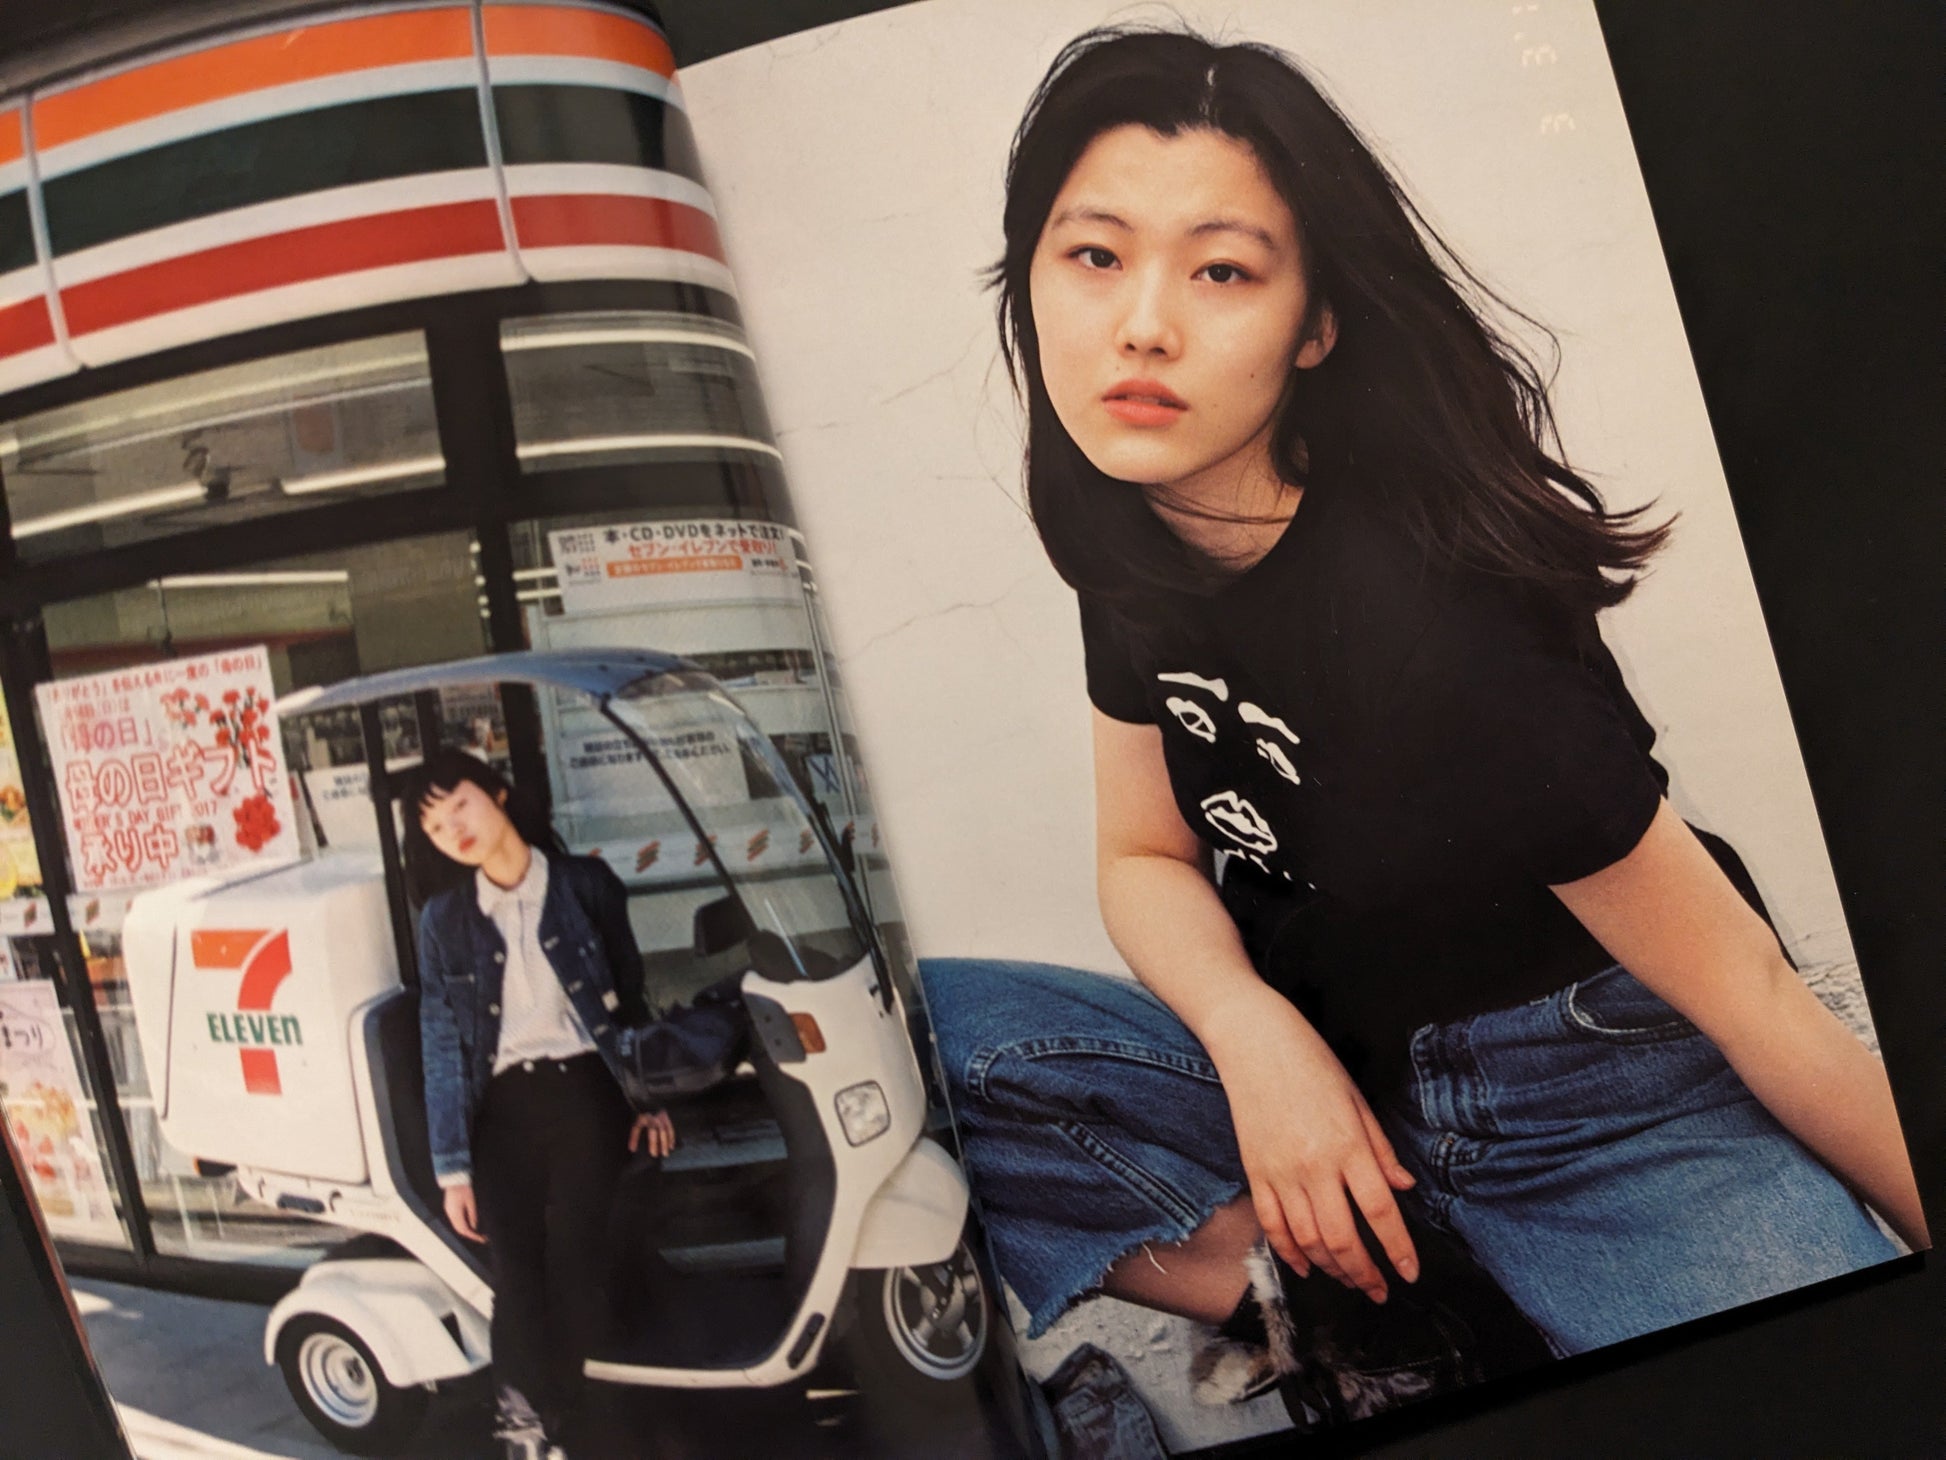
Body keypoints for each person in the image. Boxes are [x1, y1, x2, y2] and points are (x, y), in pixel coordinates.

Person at [918, 24, 1926, 1429]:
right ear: (1028, 278)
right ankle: (1350, 1302)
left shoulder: (1452, 636)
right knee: (908, 1055)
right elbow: (1144, 855)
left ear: (1313, 322)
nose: (1141, 323)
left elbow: (1751, 995)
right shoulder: (1143, 533)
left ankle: (1433, 1320)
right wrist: (1254, 1038)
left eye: (1220, 270)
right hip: (1324, 1079)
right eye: (1094, 256)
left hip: (1591, 1106)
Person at [405, 748, 676, 1458]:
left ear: (498, 791)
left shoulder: (587, 886)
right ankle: (527, 1434)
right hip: (501, 1111)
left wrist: (646, 1099)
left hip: (586, 1091)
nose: (451, 828)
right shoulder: (443, 922)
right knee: (516, 1279)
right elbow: (441, 1042)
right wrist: (452, 1168)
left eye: (457, 803)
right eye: (434, 826)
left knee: (576, 1262)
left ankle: (580, 1423)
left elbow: (629, 997)